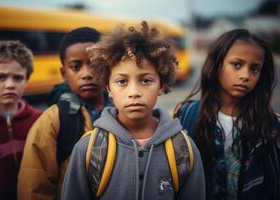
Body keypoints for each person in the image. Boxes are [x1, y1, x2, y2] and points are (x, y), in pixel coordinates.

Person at [61, 21, 205, 200]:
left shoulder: (185, 149)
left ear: (161, 85)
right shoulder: (87, 149)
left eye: (145, 81)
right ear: (108, 88)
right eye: (122, 81)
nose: (134, 92)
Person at [174, 29, 280, 200]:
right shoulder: (186, 115)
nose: (245, 75)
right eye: (237, 65)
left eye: (254, 69)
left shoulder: (271, 124)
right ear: (217, 65)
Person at [17, 27, 112, 200]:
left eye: (95, 65)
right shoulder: (53, 120)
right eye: (76, 67)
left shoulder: (124, 112)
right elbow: (35, 187)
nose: (87, 74)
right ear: (64, 73)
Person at [0, 40, 41, 200]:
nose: (10, 85)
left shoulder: (40, 121)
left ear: (26, 80)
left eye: (18, 78)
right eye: (1, 77)